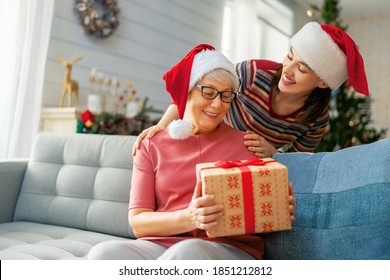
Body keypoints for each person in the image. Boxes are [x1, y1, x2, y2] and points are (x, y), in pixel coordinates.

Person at [87, 44, 295, 260]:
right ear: (187, 89)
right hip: (161, 245)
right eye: (208, 91)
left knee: (187, 251)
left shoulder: (247, 144)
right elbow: (138, 222)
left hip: (227, 249)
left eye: (225, 95)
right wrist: (189, 218)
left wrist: (276, 207)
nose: (217, 104)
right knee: (102, 254)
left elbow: (264, 217)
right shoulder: (152, 145)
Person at [133, 21, 369, 158]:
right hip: (206, 149)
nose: (288, 70)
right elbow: (198, 89)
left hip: (248, 173)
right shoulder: (253, 72)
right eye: (289, 56)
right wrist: (162, 126)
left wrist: (274, 154)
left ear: (323, 82)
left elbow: (300, 167)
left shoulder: (316, 119)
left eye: (302, 69)